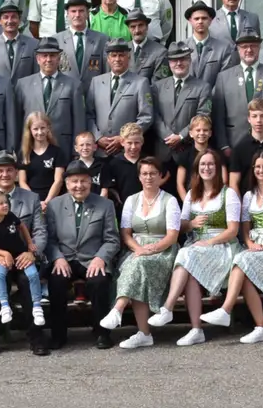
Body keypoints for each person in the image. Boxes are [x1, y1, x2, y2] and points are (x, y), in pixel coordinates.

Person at [200, 150, 263, 344]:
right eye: (257, 167)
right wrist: (250, 244)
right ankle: (261, 327)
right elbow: (245, 229)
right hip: (255, 246)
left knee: (241, 260)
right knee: (244, 273)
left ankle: (226, 309)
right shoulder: (249, 195)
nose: (261, 170)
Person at [151, 150, 240, 346]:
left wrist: (209, 242)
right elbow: (181, 225)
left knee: (185, 254)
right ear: (197, 169)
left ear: (217, 168)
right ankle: (196, 329)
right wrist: (191, 224)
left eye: (211, 164)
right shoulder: (192, 194)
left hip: (222, 247)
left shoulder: (228, 194)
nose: (207, 168)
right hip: (196, 248)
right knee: (189, 268)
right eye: (203, 165)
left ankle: (168, 307)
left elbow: (233, 230)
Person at [0, 152, 50, 357]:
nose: (5, 174)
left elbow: (40, 231)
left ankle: (36, 336)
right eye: (0, 170)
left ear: (16, 173)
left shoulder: (31, 198)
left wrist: (32, 253)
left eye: (9, 170)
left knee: (27, 280)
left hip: (23, 256)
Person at [99, 157, 181, 349]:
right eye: (144, 173)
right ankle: (143, 333)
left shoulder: (170, 201)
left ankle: (119, 310)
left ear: (160, 176)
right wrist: (138, 249)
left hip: (163, 251)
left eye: (153, 173)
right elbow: (125, 234)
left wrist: (151, 249)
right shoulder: (131, 200)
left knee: (138, 265)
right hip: (136, 249)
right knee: (137, 266)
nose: (148, 177)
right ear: (139, 177)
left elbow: (172, 236)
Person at [44, 161, 121, 350]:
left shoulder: (105, 205)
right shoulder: (54, 205)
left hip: (93, 258)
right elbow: (49, 239)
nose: (79, 186)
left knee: (99, 282)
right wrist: (58, 257)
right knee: (56, 282)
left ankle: (102, 332)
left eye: (83, 181)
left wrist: (101, 258)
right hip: (65, 258)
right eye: (74, 181)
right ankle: (58, 335)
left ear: (90, 182)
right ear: (66, 184)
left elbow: (112, 239)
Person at [214, 29, 263, 152]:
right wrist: (223, 145)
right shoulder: (223, 77)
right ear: (238, 49)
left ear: (259, 48)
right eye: (244, 46)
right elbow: (218, 116)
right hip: (235, 144)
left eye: (253, 46)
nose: (249, 50)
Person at [0, 190, 45, 328]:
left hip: (21, 254)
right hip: (3, 258)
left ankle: (37, 306)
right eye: (1, 203)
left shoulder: (10, 216)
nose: (5, 205)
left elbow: (22, 226)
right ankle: (5, 306)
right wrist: (5, 254)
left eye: (6, 202)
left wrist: (29, 243)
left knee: (33, 274)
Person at [89, 39, 153, 157]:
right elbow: (89, 114)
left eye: (121, 55)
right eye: (113, 55)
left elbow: (146, 117)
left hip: (126, 151)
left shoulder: (140, 82)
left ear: (128, 57)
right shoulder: (96, 82)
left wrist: (124, 138)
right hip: (100, 150)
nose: (117, 59)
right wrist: (98, 137)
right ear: (108, 59)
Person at [16, 38, 84, 150]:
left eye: (52, 55)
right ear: (38, 59)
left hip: (62, 146)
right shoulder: (23, 84)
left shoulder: (73, 85)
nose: (48, 59)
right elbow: (17, 120)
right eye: (44, 56)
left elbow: (79, 122)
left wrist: (76, 151)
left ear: (59, 58)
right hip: (32, 147)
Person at [153, 42, 213, 163]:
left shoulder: (202, 87)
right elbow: (154, 115)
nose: (179, 63)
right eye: (174, 60)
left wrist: (181, 136)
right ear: (169, 63)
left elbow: (203, 115)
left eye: (183, 59)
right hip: (163, 150)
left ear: (189, 60)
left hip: (188, 149)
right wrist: (168, 136)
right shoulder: (157, 87)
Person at [56, 0, 107, 85]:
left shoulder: (102, 40)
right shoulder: (56, 40)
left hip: (94, 90)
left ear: (87, 13)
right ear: (67, 14)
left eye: (81, 11)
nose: (77, 15)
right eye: (73, 11)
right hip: (66, 90)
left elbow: (106, 72)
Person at [19, 112, 69, 206]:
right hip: (31, 201)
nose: (40, 132)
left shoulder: (57, 152)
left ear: (48, 128)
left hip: (53, 200)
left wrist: (47, 202)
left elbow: (58, 181)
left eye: (42, 128)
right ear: (29, 130)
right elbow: (22, 181)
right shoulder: (24, 153)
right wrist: (35, 201)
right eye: (35, 129)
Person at [184, 2, 234, 87]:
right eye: (196, 19)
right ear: (190, 21)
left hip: (214, 94)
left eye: (204, 18)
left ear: (210, 20)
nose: (200, 21)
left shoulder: (223, 48)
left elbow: (224, 79)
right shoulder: (181, 47)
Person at [0, 2, 39, 82]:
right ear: (0, 21)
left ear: (19, 20)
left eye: (13, 17)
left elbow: (37, 75)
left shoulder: (33, 44)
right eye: (6, 17)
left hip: (25, 89)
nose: (10, 21)